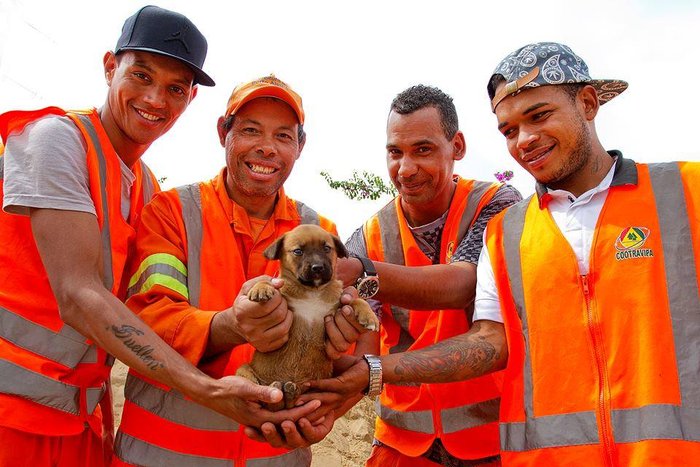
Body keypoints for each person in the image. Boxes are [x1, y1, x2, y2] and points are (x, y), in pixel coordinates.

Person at [321, 42, 700, 466]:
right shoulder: (511, 232)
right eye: (508, 130)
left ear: (589, 103)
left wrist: (362, 272)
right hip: (424, 445)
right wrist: (356, 376)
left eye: (539, 116)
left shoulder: (684, 193)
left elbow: (462, 284)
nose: (525, 139)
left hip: (508, 445)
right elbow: (487, 341)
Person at [0, 7, 307, 467]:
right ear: (110, 67)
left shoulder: (146, 189)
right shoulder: (56, 141)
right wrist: (208, 388)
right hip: (12, 415)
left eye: (175, 88)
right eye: (141, 75)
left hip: (77, 415)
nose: (155, 98)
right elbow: (78, 294)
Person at [112, 75, 368, 466]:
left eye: (283, 136)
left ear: (300, 146)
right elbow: (146, 319)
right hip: (162, 456)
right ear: (223, 132)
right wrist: (230, 325)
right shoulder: (171, 213)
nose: (266, 148)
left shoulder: (322, 233)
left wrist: (334, 386)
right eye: (251, 130)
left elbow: (337, 351)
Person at [310, 85, 521, 467]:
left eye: (422, 150)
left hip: (491, 440)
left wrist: (363, 271)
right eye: (395, 152)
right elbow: (365, 353)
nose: (405, 169)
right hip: (402, 441)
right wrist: (315, 412)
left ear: (457, 146)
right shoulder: (369, 235)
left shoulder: (496, 206)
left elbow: (463, 285)